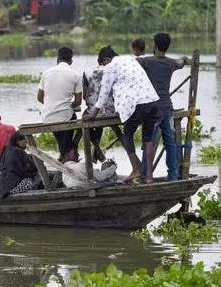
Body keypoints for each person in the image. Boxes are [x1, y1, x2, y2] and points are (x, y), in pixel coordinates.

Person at [86, 46, 159, 184]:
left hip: (139, 104)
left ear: (106, 59)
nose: (103, 67)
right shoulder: (130, 59)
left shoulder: (110, 66)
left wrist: (93, 114)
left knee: (127, 133)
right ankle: (149, 176)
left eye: (102, 63)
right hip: (152, 101)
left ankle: (136, 169)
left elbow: (103, 95)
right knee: (148, 139)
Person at [138, 33, 192, 181]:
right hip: (167, 108)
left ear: (154, 46)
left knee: (148, 141)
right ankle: (173, 175)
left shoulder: (147, 62)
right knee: (170, 142)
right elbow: (181, 62)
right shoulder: (171, 63)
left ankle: (144, 175)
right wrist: (185, 59)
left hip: (152, 109)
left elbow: (132, 63)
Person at [36, 47, 83, 161]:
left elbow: (39, 97)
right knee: (75, 121)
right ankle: (68, 152)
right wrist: (67, 105)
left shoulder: (46, 73)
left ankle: (64, 153)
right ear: (71, 61)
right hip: (65, 116)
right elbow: (78, 102)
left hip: (47, 116)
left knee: (61, 133)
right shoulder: (76, 75)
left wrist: (51, 104)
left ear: (57, 59)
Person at [82, 55, 117, 162]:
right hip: (110, 111)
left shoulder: (87, 72)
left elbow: (84, 96)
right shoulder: (114, 71)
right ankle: (96, 152)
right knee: (98, 121)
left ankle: (96, 148)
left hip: (94, 111)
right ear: (107, 59)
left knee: (84, 118)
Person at [0, 132, 40, 198]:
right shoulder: (18, 151)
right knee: (37, 177)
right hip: (12, 187)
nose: (26, 144)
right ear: (18, 141)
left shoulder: (6, 149)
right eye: (25, 142)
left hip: (2, 188)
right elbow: (26, 170)